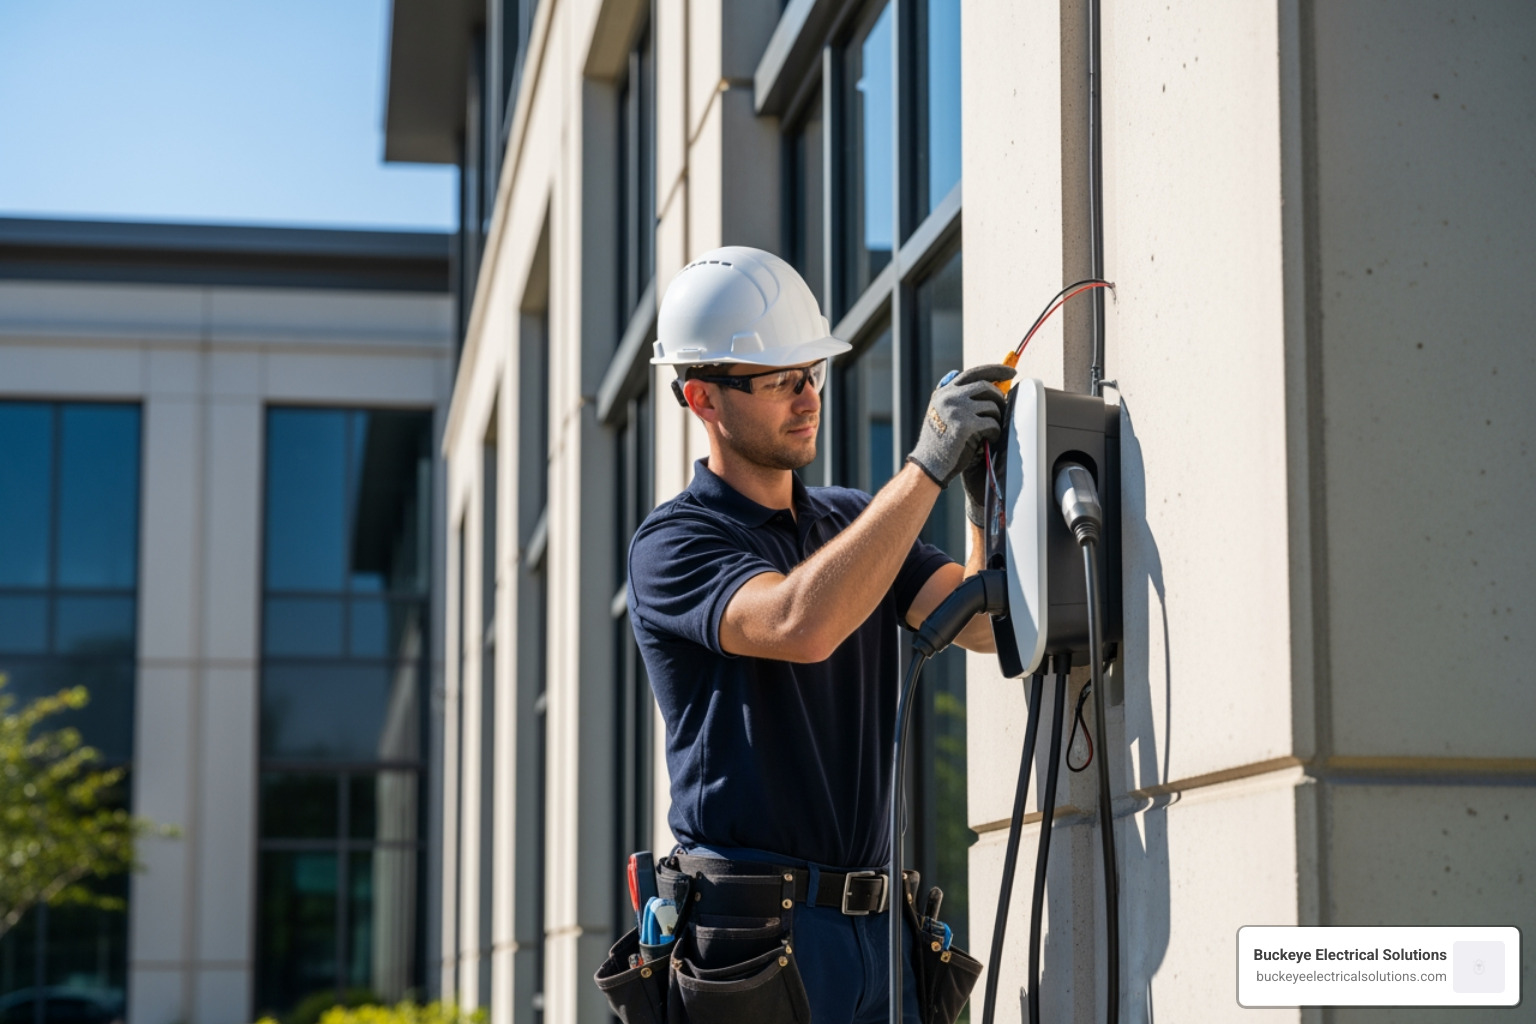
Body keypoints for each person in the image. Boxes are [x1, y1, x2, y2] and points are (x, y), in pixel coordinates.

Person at [626, 246, 1013, 1023]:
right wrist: (925, 467)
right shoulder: (673, 544)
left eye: (814, 373)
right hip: (753, 935)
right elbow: (800, 623)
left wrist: (980, 498)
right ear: (703, 399)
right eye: (781, 381)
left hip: (881, 926)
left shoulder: (846, 520)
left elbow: (976, 622)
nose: (809, 397)